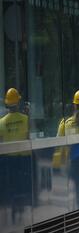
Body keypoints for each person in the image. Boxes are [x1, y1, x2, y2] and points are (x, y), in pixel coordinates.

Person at [0, 88, 32, 223]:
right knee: (22, 184)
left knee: (12, 184)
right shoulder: (25, 119)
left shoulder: (1, 122)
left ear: (7, 104)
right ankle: (20, 207)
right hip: (23, 158)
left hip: (9, 159)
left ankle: (13, 206)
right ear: (18, 103)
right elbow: (28, 137)